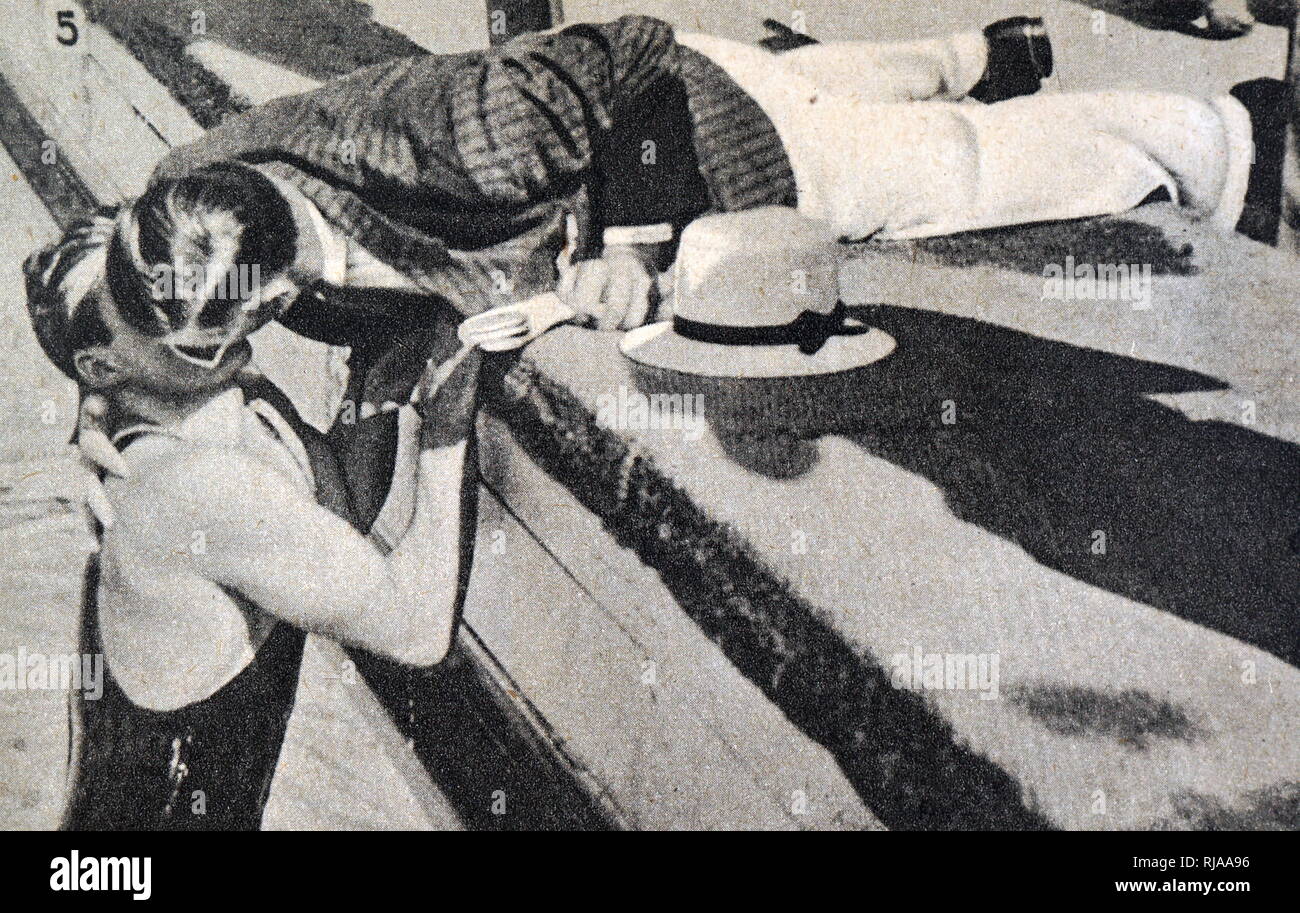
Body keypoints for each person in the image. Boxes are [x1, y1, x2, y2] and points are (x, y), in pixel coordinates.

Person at [66, 13, 1255, 511]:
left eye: (207, 350)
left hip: (688, 119)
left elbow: (633, 60)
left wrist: (630, 248)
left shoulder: (454, 142)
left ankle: (1238, 124)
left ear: (266, 295)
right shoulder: (195, 196)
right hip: (640, 97)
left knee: (943, 176)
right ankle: (981, 47)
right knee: (840, 81)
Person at [22, 205, 506, 829]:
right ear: (102, 368)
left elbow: (336, 510)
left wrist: (379, 371)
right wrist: (447, 431)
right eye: (139, 303)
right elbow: (417, 632)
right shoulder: (190, 483)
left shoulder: (232, 403)